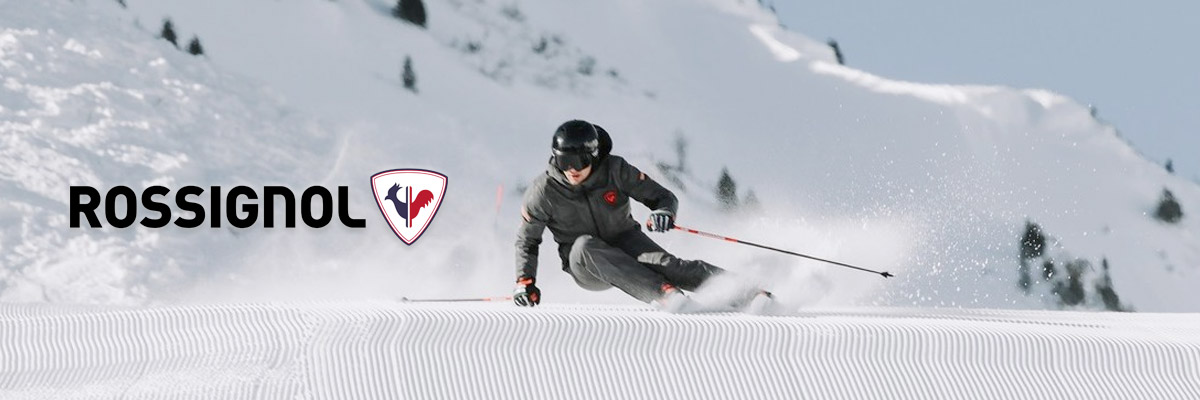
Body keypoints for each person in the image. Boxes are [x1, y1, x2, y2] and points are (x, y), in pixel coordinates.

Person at [513, 120, 763, 308]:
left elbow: (663, 197)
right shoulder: (543, 191)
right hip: (585, 264)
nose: (571, 170)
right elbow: (528, 240)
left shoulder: (615, 170)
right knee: (585, 245)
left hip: (625, 240)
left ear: (593, 155)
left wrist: (663, 212)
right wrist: (525, 281)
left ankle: (749, 293)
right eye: (563, 162)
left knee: (671, 266)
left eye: (578, 161)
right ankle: (664, 294)